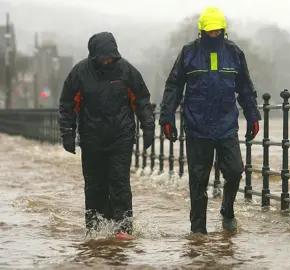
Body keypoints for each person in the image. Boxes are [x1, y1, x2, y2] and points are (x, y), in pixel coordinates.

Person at [159, 7, 261, 235]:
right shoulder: (188, 53)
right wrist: (167, 117)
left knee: (235, 171)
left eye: (217, 31)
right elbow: (174, 85)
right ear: (202, 31)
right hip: (197, 126)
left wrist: (252, 115)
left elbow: (245, 87)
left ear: (224, 30)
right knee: (198, 180)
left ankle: (227, 210)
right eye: (210, 31)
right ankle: (198, 232)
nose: (214, 34)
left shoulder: (234, 53)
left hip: (226, 125)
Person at [58, 31, 155, 239]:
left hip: (121, 137)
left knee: (120, 182)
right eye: (103, 57)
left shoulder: (127, 71)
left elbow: (142, 101)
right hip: (92, 139)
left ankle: (123, 229)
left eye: (110, 56)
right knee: (94, 185)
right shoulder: (79, 73)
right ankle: (95, 229)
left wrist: (148, 127)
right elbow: (67, 105)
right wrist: (67, 132)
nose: (107, 61)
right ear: (94, 56)